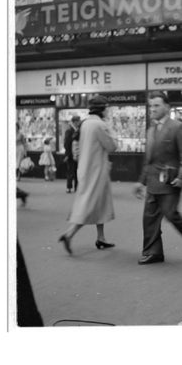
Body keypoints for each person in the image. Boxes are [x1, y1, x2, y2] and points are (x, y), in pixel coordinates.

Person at [133, 91, 182, 265]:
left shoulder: (176, 127)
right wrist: (140, 182)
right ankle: (153, 252)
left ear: (167, 107)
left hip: (170, 181)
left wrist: (181, 177)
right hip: (152, 181)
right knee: (149, 218)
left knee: (171, 214)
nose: (153, 109)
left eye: (157, 105)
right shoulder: (151, 130)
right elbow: (148, 160)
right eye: (152, 106)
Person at [58, 96, 117, 255]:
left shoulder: (84, 123)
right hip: (96, 171)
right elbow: (112, 146)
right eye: (107, 107)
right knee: (90, 204)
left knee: (99, 203)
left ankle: (101, 238)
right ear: (102, 109)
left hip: (85, 169)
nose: (108, 110)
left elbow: (75, 145)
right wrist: (110, 128)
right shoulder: (100, 125)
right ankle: (69, 234)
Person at [63, 115, 81, 193]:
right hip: (70, 154)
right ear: (74, 122)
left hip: (77, 154)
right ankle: (69, 187)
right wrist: (67, 154)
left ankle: (77, 187)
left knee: (77, 171)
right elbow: (66, 143)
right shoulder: (69, 131)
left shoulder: (79, 130)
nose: (79, 122)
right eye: (77, 121)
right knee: (70, 171)